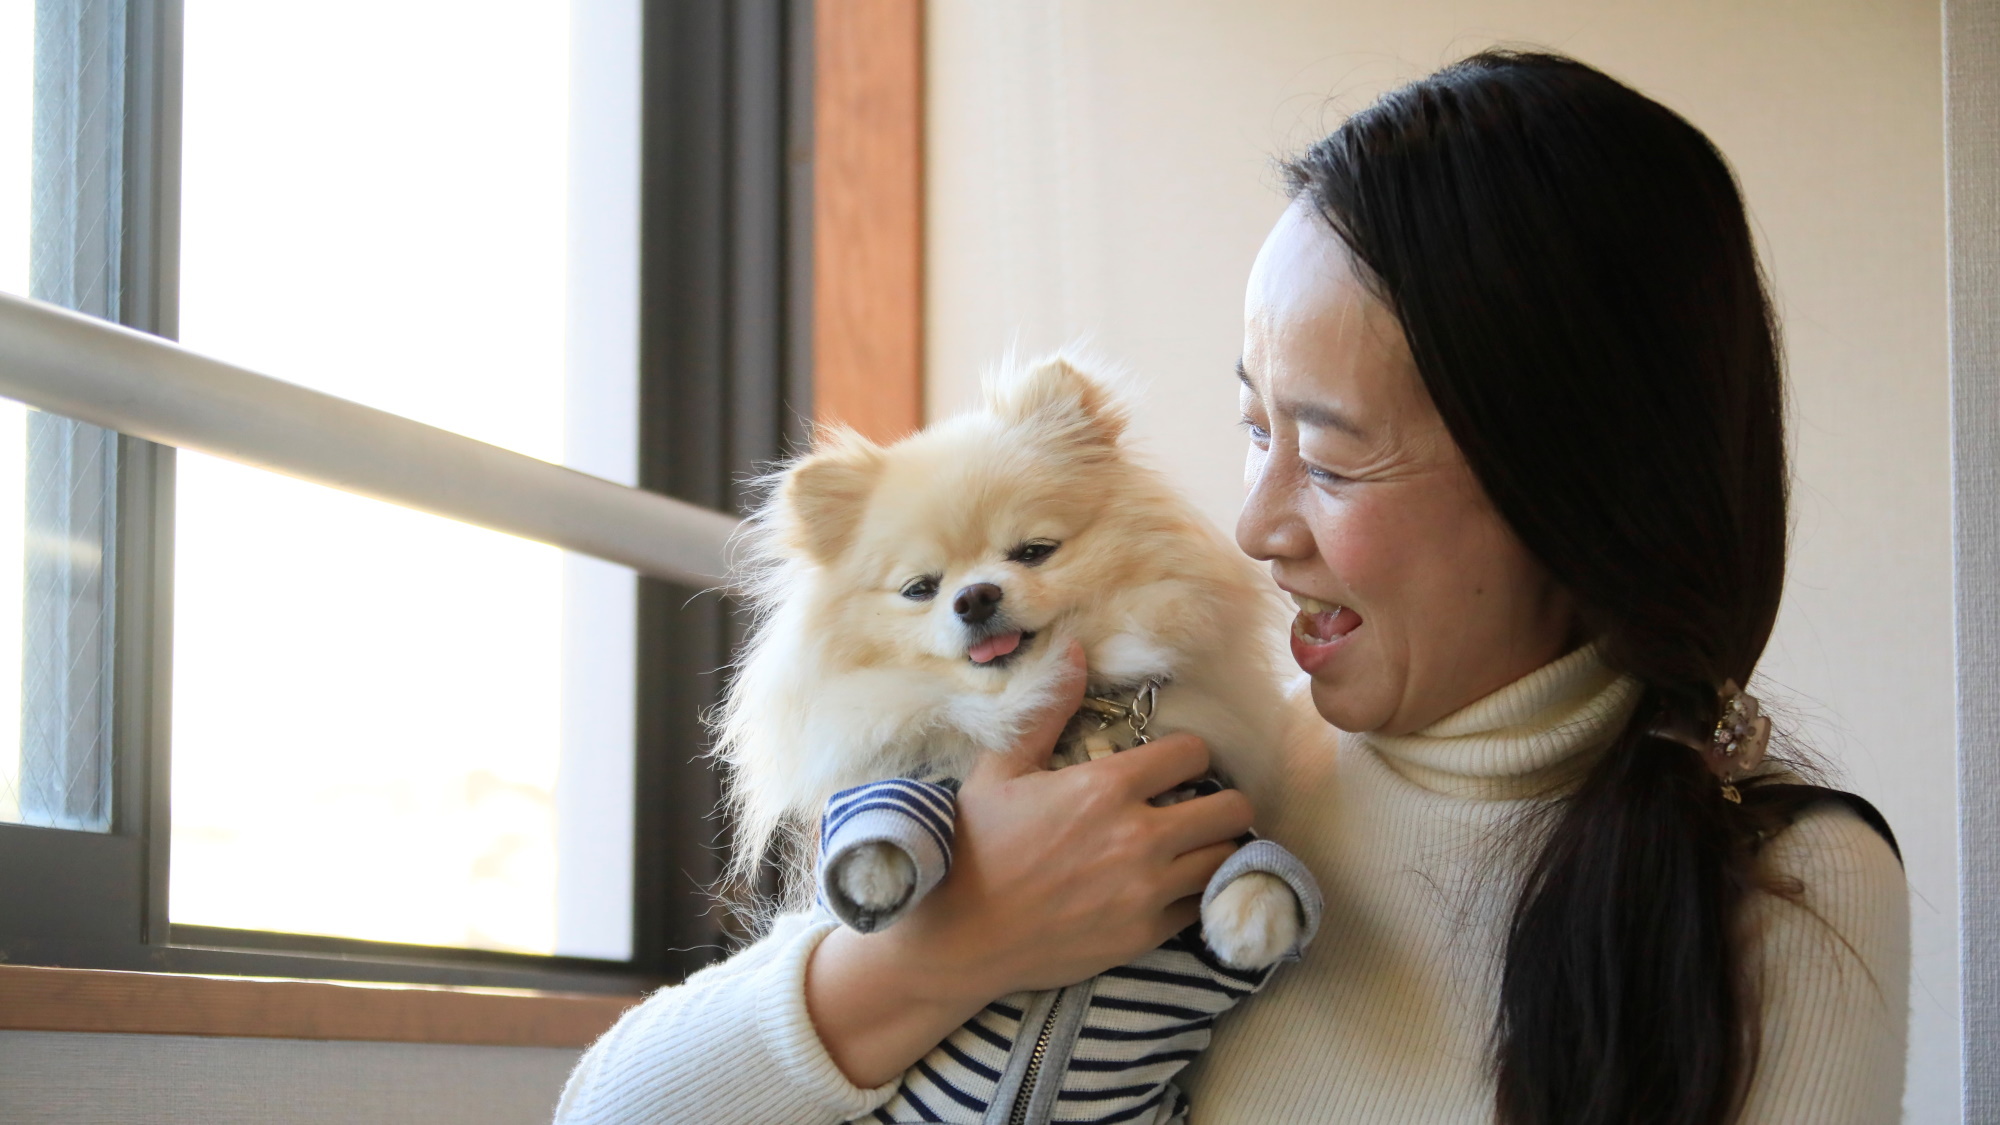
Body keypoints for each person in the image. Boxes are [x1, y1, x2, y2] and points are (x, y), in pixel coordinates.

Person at [553, 50, 1908, 1125]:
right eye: (1256, 429)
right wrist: (937, 950)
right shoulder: (1192, 775)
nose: (1258, 523)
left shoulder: (1783, 884)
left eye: (1329, 455)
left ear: (1571, 471)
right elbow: (607, 1110)